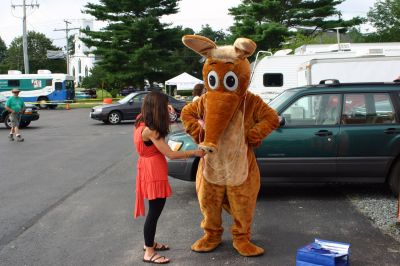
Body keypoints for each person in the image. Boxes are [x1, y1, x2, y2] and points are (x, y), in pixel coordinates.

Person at [133, 90, 204, 264]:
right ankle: (149, 252)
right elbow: (171, 154)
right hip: (153, 172)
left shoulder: (140, 121)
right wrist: (196, 152)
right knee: (154, 213)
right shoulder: (151, 131)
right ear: (158, 108)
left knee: (154, 211)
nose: (168, 108)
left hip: (147, 168)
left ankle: (149, 243)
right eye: (165, 105)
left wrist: (170, 111)